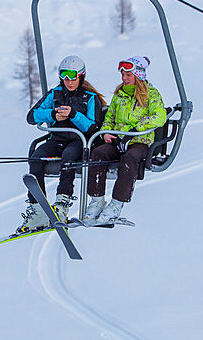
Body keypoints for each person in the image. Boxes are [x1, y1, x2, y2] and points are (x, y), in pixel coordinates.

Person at [18, 55, 107, 232]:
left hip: (79, 141)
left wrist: (74, 115)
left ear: (81, 76)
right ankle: (38, 209)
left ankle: (62, 203)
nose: (69, 80)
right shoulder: (55, 94)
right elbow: (32, 116)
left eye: (73, 76)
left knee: (68, 158)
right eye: (64, 75)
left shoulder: (89, 98)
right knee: (36, 158)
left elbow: (93, 128)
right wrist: (52, 115)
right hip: (57, 139)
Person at [84, 56, 166, 224]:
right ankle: (97, 200)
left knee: (130, 159)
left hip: (139, 140)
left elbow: (159, 116)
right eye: (123, 74)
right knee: (98, 154)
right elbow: (109, 118)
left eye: (128, 75)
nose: (124, 79)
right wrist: (105, 133)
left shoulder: (151, 94)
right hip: (118, 139)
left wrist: (136, 130)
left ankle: (116, 204)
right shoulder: (119, 95)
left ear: (138, 75)